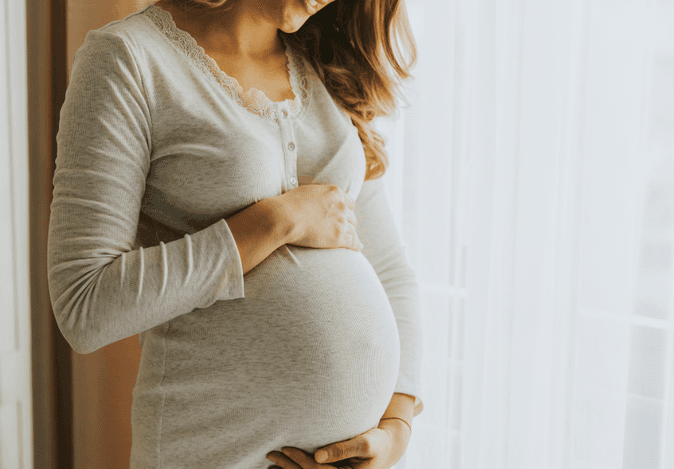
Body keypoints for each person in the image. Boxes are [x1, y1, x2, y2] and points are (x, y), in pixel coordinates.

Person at [46, 0, 424, 467]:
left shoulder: (324, 61)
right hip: (209, 451)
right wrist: (274, 223)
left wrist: (396, 429)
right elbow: (84, 305)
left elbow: (389, 269)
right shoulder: (129, 59)